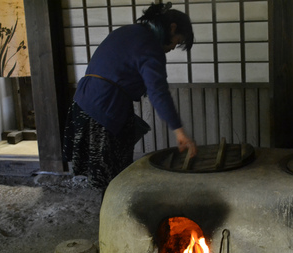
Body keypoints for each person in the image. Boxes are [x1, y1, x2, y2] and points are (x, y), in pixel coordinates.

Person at [63, 2, 197, 192]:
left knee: (112, 177)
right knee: (112, 180)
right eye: (178, 41)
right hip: (102, 109)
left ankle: (112, 214)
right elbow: (158, 91)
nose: (174, 47)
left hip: (84, 103)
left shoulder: (131, 31)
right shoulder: (150, 45)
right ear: (172, 28)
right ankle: (112, 219)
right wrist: (179, 131)